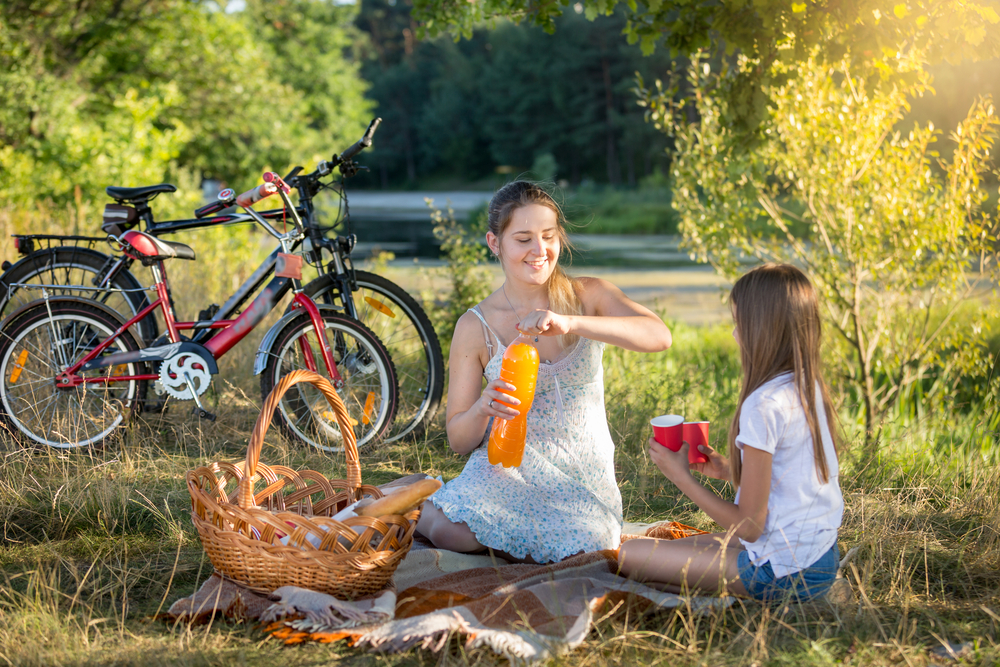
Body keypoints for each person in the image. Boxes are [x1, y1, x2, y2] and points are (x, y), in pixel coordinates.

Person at [416, 180, 672, 563]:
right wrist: (483, 407)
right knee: (451, 533)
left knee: (590, 548)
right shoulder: (475, 327)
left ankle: (441, 499)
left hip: (580, 479)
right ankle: (424, 498)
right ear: (494, 243)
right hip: (506, 472)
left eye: (548, 236)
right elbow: (457, 439)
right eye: (523, 239)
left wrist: (571, 323)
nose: (540, 251)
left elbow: (659, 336)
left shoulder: (588, 296)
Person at [618, 263, 844, 601]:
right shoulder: (806, 386)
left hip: (782, 573)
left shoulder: (763, 404)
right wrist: (727, 470)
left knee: (628, 558)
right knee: (663, 548)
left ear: (761, 330)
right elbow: (790, 484)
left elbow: (749, 528)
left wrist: (681, 476)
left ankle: (738, 593)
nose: (735, 334)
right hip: (820, 557)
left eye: (739, 324)